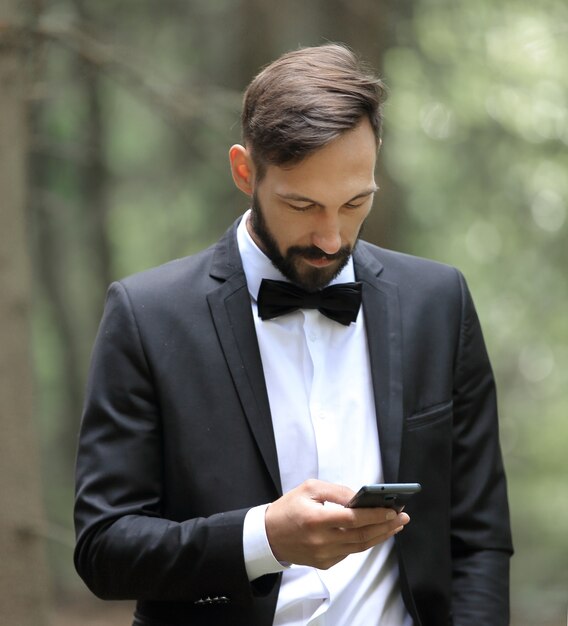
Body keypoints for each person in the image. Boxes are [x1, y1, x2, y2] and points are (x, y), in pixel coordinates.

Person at [74, 43, 513, 626]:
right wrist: (263, 539)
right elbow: (104, 548)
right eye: (302, 204)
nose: (331, 238)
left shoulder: (439, 301)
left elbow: (478, 538)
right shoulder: (147, 315)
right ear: (243, 171)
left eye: (356, 202)